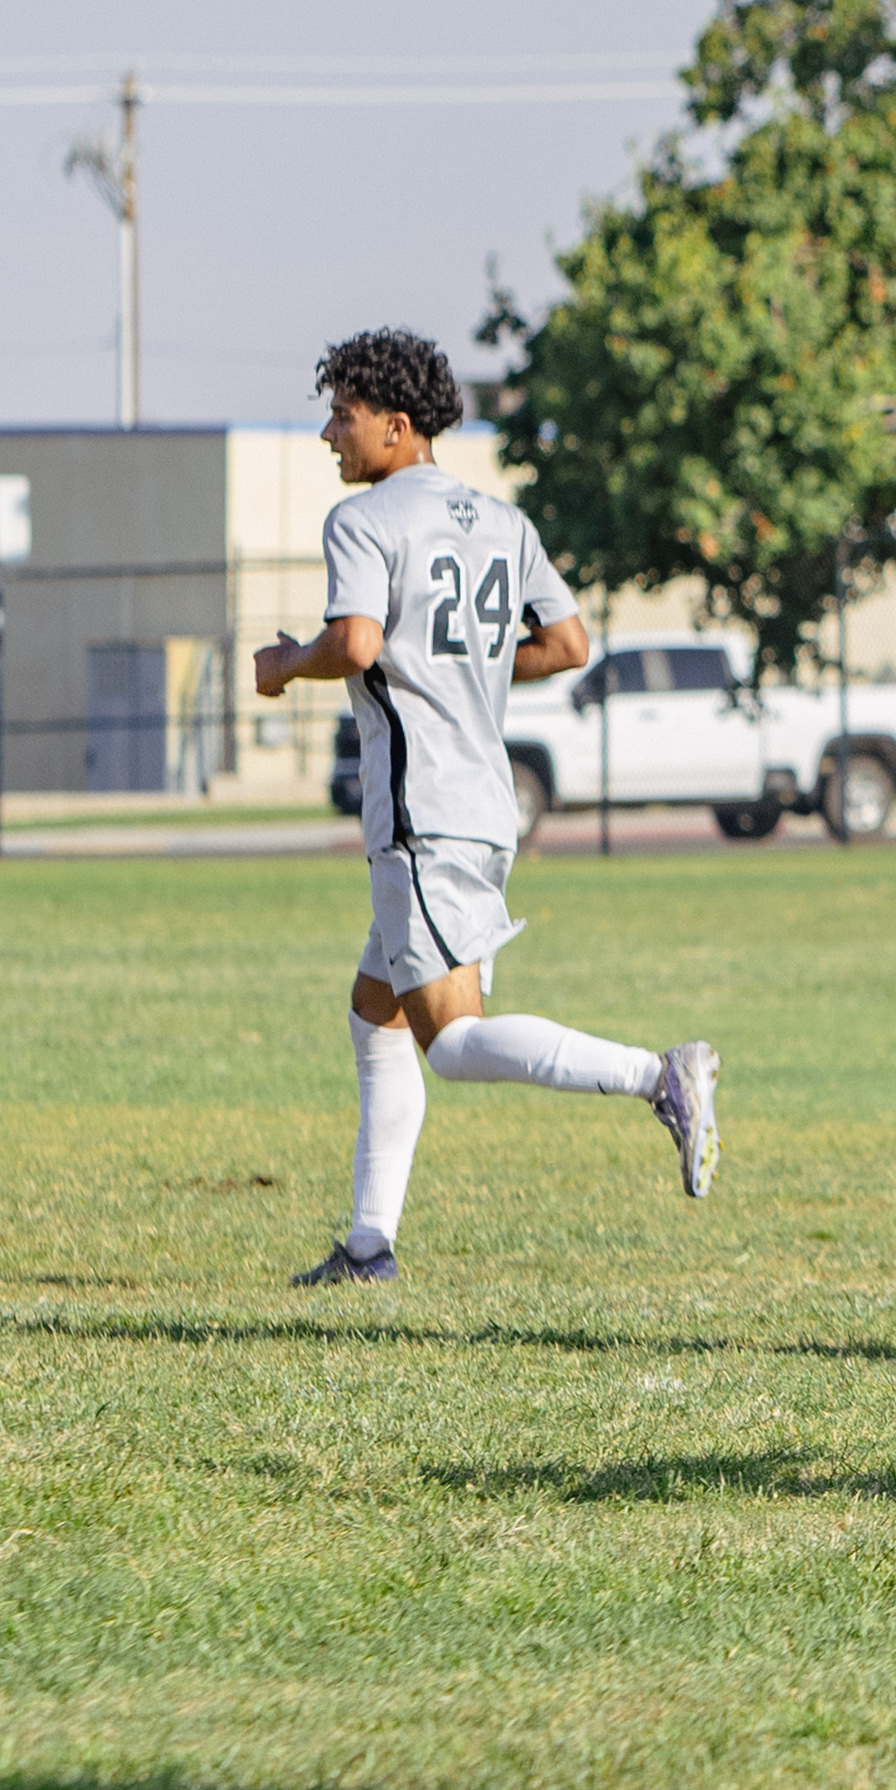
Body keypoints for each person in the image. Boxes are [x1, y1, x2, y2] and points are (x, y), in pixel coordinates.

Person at [249, 329, 719, 1288]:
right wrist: (457, 665)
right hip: (486, 804)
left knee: (453, 1046)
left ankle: (657, 1075)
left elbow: (359, 641)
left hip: (421, 817)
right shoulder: (503, 521)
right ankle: (367, 1249)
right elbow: (570, 641)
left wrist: (288, 662)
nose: (331, 433)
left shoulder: (366, 520)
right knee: (374, 1013)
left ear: (397, 423)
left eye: (343, 413)